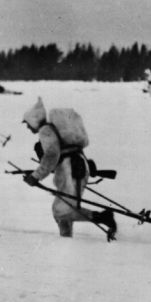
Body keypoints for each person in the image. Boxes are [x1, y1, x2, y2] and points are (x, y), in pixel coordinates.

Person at [21, 97, 117, 239]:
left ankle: (103, 217)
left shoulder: (45, 130)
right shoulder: (50, 130)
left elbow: (52, 155)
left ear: (34, 120)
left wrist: (36, 176)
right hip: (71, 167)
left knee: (62, 210)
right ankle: (65, 240)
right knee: (62, 210)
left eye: (28, 124)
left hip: (71, 169)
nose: (28, 128)